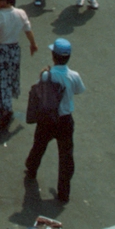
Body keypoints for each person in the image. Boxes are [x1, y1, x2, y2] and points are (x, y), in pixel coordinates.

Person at [24, 37, 85, 203]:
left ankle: (31, 169)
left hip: (47, 119)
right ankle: (64, 192)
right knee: (66, 156)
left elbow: (37, 90)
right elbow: (79, 90)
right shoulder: (74, 76)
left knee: (39, 145)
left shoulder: (46, 75)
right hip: (65, 120)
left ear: (53, 56)